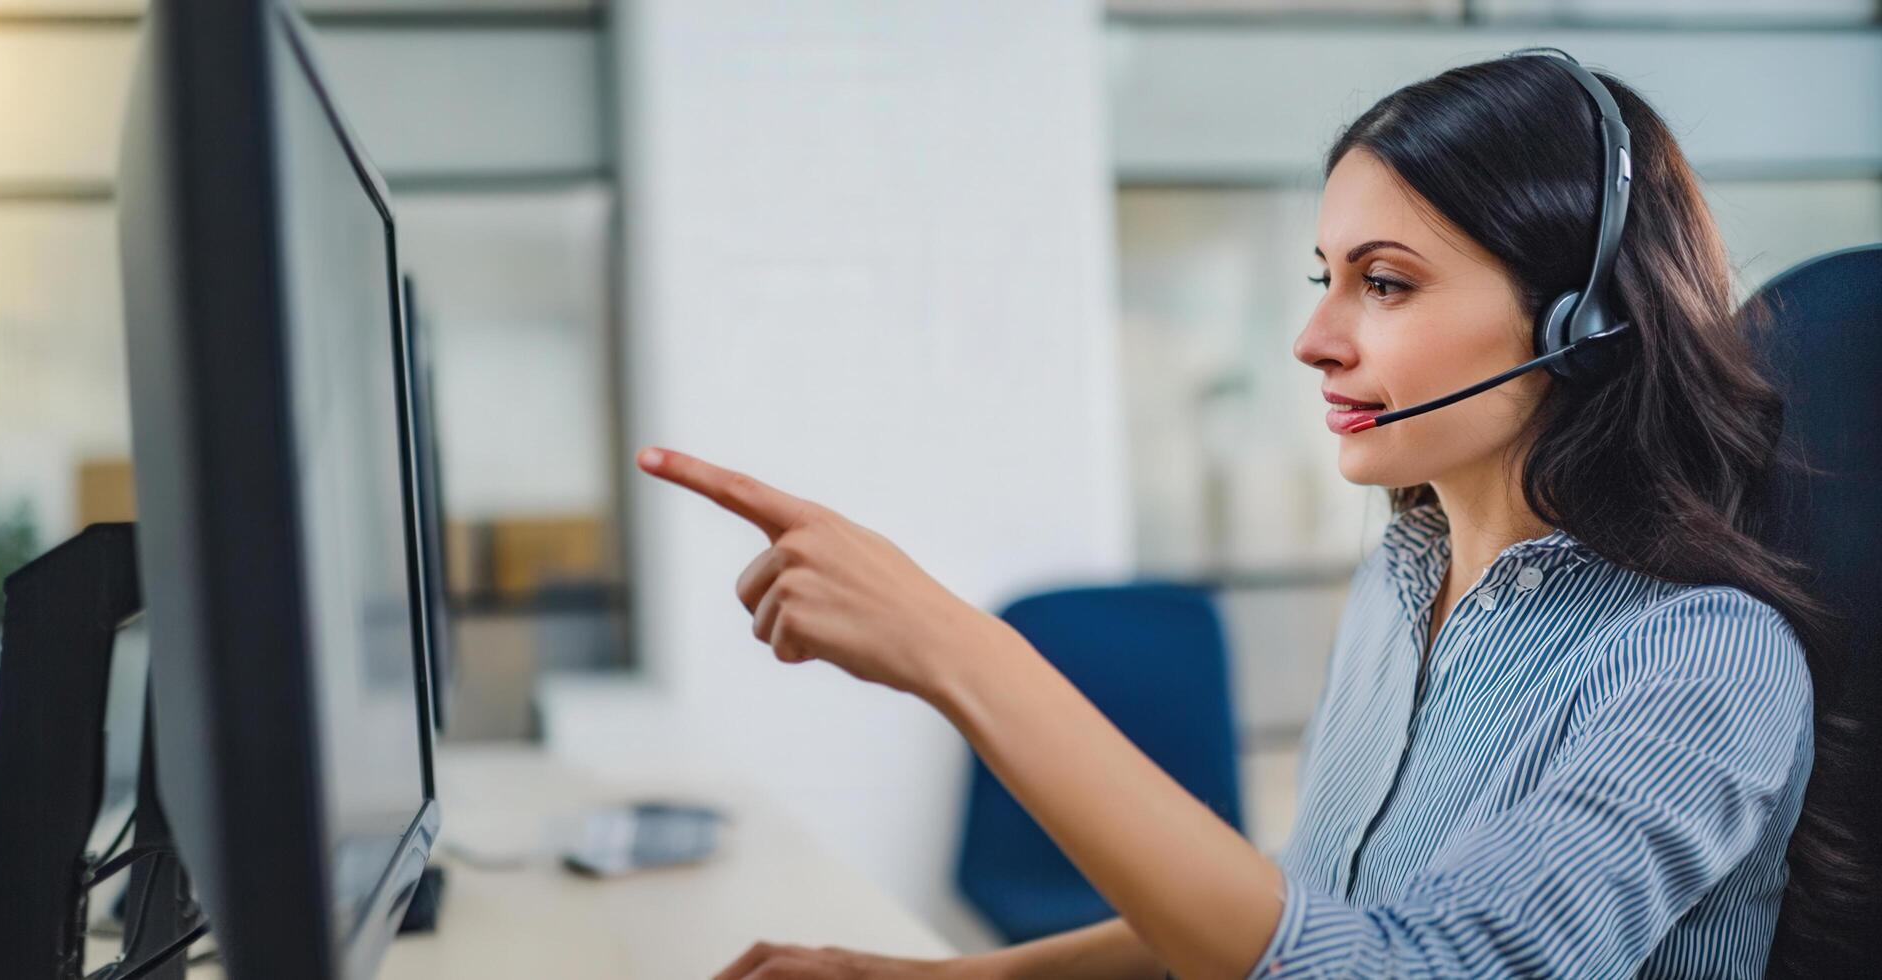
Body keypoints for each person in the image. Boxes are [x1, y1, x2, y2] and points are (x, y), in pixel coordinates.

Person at [642, 53, 1869, 979]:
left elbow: (1401, 965)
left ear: (1577, 322)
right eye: (1323, 279)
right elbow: (1316, 895)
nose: (1315, 339)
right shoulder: (1406, 578)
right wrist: (955, 978)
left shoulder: (1700, 658)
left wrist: (961, 654)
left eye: (1384, 282)